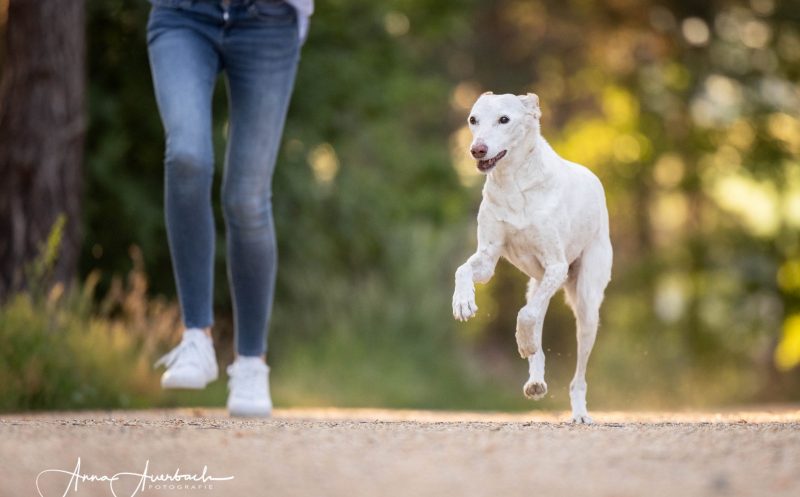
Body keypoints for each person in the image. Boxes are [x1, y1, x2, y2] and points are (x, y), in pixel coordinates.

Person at [147, 0, 314, 417]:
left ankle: (251, 363)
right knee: (187, 156)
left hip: (269, 22)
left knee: (247, 197)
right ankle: (196, 337)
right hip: (181, 14)